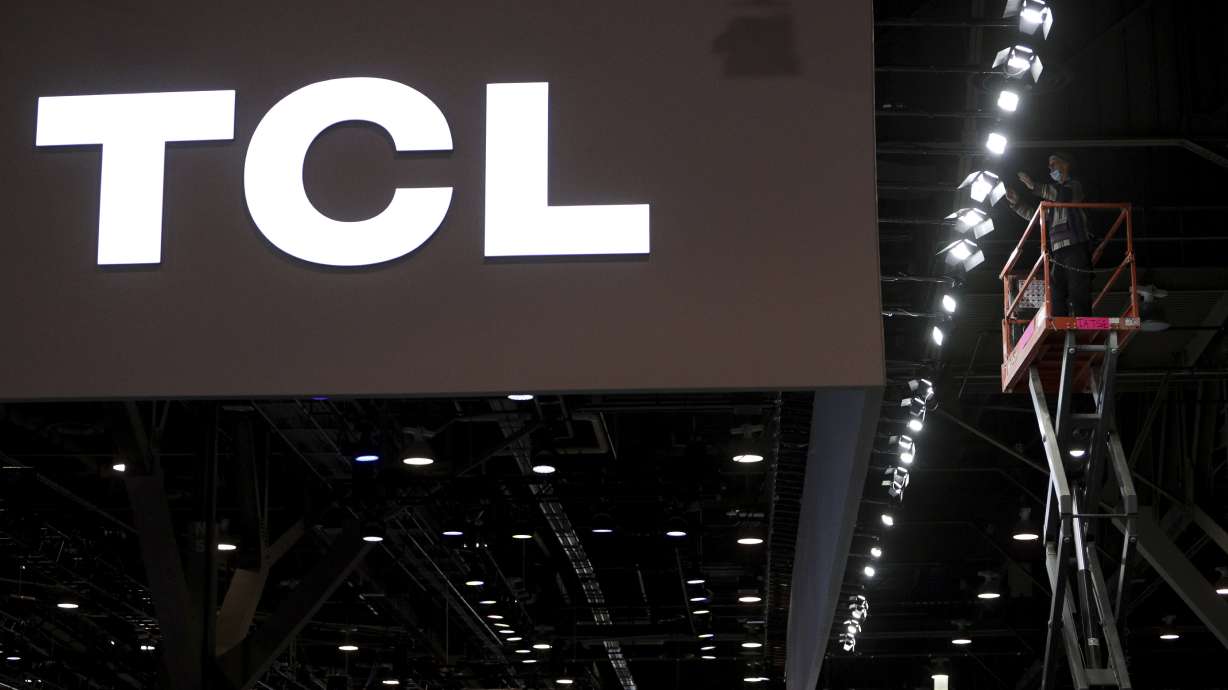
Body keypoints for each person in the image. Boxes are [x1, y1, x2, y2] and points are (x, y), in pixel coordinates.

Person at [1005, 152, 1093, 317]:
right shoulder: (1054, 201)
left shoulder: (1074, 187)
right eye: (1049, 164)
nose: (1050, 167)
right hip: (1058, 251)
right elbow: (1036, 216)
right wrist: (1017, 203)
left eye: (1054, 163)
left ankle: (1083, 321)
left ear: (1066, 165)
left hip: (1075, 246)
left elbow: (1062, 195)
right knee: (1055, 291)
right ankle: (1059, 323)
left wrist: (1034, 186)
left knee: (1077, 287)